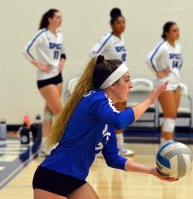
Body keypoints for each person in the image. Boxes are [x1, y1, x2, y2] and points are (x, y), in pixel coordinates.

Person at [33, 55, 176, 199]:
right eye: (126, 80)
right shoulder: (95, 98)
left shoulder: (107, 117)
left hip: (75, 180)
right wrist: (149, 100)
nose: (131, 85)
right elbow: (120, 121)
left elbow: (113, 159)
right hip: (53, 176)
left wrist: (151, 171)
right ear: (112, 84)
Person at [23, 9, 66, 156]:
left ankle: (45, 145)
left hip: (58, 77)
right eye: (58, 17)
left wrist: (62, 61)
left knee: (49, 112)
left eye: (61, 18)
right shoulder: (42, 34)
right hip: (45, 78)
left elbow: (63, 52)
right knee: (60, 113)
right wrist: (39, 65)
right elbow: (26, 50)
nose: (60, 20)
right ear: (50, 19)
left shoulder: (59, 35)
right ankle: (61, 144)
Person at [88, 8, 131, 156]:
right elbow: (93, 53)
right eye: (118, 22)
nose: (122, 25)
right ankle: (100, 146)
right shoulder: (108, 38)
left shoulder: (121, 39)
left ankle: (119, 145)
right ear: (112, 24)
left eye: (123, 22)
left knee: (119, 112)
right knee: (108, 113)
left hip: (121, 80)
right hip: (111, 82)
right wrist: (105, 69)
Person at [146, 21, 182, 145]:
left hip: (176, 83)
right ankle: (169, 143)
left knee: (172, 116)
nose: (177, 33)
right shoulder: (163, 45)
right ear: (166, 33)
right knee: (170, 114)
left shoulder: (177, 46)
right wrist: (158, 72)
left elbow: (179, 63)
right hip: (164, 84)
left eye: (178, 30)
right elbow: (149, 58)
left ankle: (163, 142)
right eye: (174, 31)